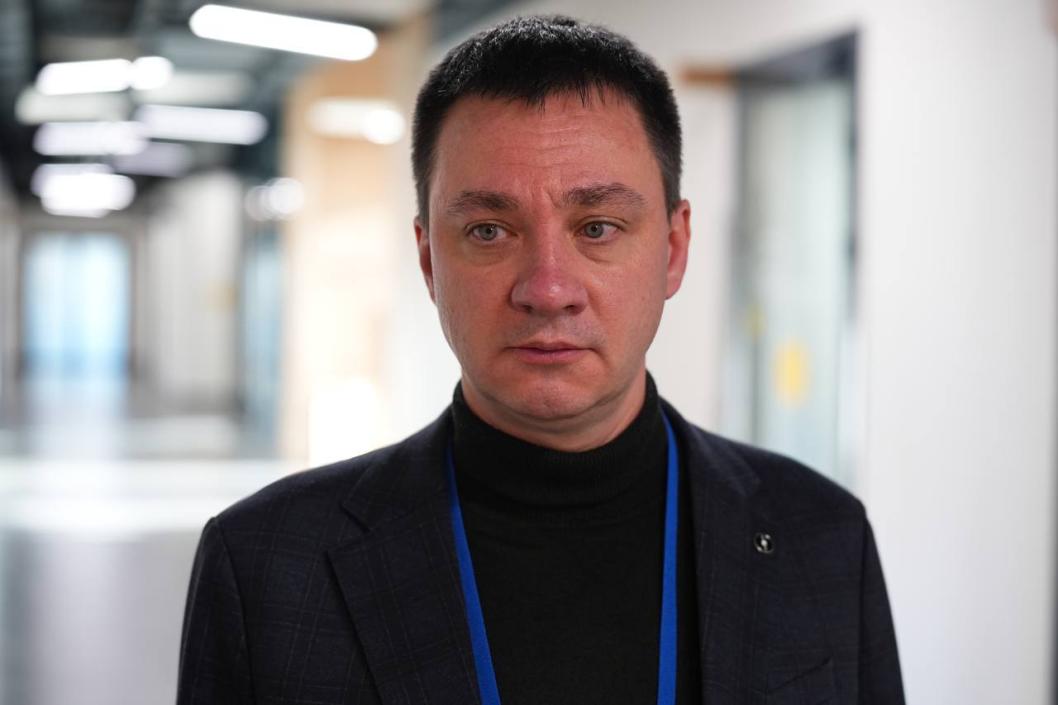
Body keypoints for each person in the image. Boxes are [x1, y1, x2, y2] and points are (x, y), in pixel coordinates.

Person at [176, 15, 904, 705]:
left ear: (674, 249)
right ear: (429, 260)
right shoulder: (268, 568)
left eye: (598, 227)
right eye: (489, 230)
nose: (548, 289)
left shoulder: (821, 537)